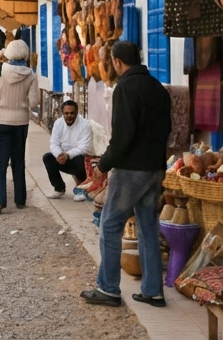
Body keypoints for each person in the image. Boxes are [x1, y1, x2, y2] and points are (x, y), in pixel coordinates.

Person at [82, 41, 171, 309]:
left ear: (117, 62)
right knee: (147, 228)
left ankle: (108, 289)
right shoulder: (157, 87)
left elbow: (122, 138)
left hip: (132, 169)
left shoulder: (125, 88)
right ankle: (153, 290)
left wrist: (104, 164)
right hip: (155, 168)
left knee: (109, 225)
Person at [0, 38, 39, 213]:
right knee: (18, 161)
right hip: (21, 122)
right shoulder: (31, 75)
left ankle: (0, 201)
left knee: (0, 162)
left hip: (0, 120)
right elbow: (34, 103)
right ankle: (20, 200)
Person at [43, 100, 93, 200]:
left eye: (72, 113)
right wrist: (59, 154)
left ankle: (82, 189)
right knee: (47, 157)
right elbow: (54, 143)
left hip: (79, 159)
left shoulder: (85, 124)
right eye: (66, 113)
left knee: (80, 159)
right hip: (63, 158)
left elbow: (84, 147)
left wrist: (68, 155)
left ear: (77, 112)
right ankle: (59, 188)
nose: (69, 116)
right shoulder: (58, 123)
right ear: (62, 113)